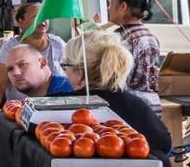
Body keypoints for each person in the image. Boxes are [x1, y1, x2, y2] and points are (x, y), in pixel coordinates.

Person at [62, 29, 171, 157]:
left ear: (79, 73)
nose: (64, 72)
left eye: (65, 66)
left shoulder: (51, 107)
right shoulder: (137, 107)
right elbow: (164, 144)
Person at [0, 3, 66, 110]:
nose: (42, 20)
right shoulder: (9, 48)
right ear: (20, 21)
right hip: (20, 111)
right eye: (36, 16)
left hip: (55, 109)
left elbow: (71, 76)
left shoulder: (58, 44)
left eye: (45, 16)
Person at [107, 0, 162, 114]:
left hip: (132, 108)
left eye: (112, 3)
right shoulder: (150, 35)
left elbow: (114, 79)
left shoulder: (120, 38)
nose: (109, 8)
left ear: (123, 7)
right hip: (153, 106)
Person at [2, 44, 74, 100]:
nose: (16, 73)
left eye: (22, 65)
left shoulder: (69, 92)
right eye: (10, 69)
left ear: (42, 63)